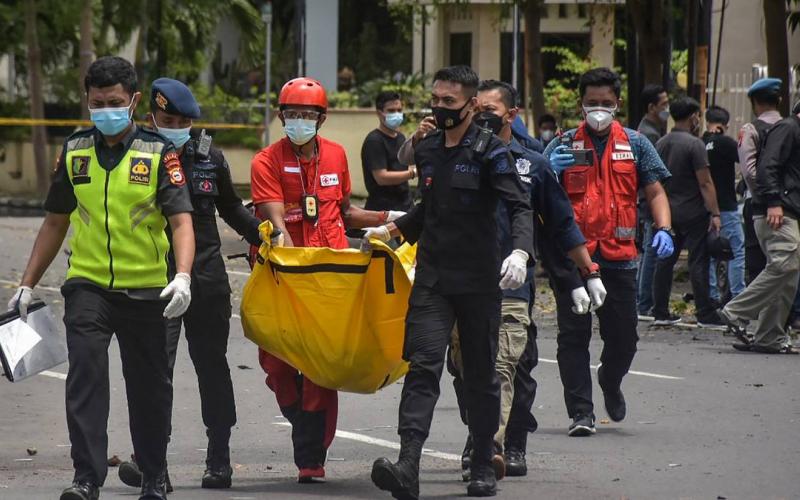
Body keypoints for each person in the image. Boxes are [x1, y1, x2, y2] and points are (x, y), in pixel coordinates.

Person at [5, 56, 195, 500]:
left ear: (132, 102)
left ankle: (152, 475)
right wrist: (27, 283)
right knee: (85, 379)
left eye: (113, 102)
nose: (105, 110)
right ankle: (86, 478)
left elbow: (181, 221)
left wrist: (182, 276)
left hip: (148, 290)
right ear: (87, 102)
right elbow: (55, 222)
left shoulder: (158, 152)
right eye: (96, 102)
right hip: (88, 287)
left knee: (149, 388)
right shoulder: (75, 151)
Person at [365, 65, 534, 499]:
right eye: (435, 100)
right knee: (422, 367)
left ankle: (482, 464)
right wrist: (391, 231)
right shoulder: (429, 150)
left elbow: (519, 207)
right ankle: (407, 465)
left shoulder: (491, 152)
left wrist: (519, 251)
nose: (439, 109)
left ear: (472, 105)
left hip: (478, 282)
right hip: (433, 279)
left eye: (449, 102)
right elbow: (428, 210)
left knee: (479, 375)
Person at [450, 79, 605, 478]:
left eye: (490, 111)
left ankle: (500, 445)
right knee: (465, 368)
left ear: (511, 115)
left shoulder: (532, 166)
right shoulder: (457, 158)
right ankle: (481, 435)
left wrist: (585, 274)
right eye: (476, 110)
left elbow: (560, 226)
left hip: (511, 286)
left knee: (509, 367)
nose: (481, 118)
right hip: (462, 284)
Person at [250, 77, 401, 483]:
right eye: (292, 114)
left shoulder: (335, 155)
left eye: (308, 115)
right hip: (284, 276)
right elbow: (272, 213)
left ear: (321, 118)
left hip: (331, 275)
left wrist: (388, 219)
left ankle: (311, 457)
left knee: (321, 366)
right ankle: (303, 427)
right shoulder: (266, 160)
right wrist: (280, 241)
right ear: (281, 117)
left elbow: (345, 213)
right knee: (279, 365)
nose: (299, 121)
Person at [115, 78, 262, 492]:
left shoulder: (207, 155)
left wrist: (263, 233)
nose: (176, 126)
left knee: (212, 367)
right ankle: (151, 462)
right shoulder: (136, 155)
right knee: (154, 371)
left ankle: (220, 458)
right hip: (154, 280)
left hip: (207, 278)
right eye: (168, 119)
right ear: (151, 118)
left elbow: (231, 207)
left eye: (183, 120)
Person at [544, 67, 673, 437]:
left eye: (606, 103)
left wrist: (663, 228)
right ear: (580, 105)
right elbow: (535, 189)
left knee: (624, 337)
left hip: (619, 258)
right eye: (591, 103)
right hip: (573, 259)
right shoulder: (563, 144)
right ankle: (580, 413)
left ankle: (610, 380)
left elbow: (655, 191)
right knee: (573, 336)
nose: (598, 109)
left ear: (617, 104)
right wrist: (549, 171)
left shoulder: (635, 143)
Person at [720, 102, 800, 354]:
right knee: (785, 265)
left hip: (785, 209)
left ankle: (769, 336)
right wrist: (774, 202)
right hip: (777, 210)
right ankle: (736, 311)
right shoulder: (788, 128)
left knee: (786, 277)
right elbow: (767, 168)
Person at [651, 97, 723, 326]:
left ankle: (660, 310)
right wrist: (715, 213)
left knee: (664, 261)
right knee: (698, 261)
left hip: (667, 212)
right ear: (693, 116)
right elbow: (705, 182)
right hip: (693, 212)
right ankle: (704, 312)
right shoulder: (695, 145)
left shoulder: (661, 143)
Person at [738, 78, 784, 283]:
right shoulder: (791, 127)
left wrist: (764, 194)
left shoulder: (751, 129)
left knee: (757, 261)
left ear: (754, 102)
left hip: (758, 205)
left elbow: (748, 172)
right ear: (780, 100)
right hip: (789, 204)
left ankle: (753, 312)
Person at [703, 105, 745, 303]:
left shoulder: (700, 143)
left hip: (704, 207)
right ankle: (738, 298)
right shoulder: (726, 143)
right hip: (726, 206)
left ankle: (711, 296)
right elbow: (746, 161)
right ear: (725, 125)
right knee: (737, 251)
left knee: (709, 253)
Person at [636, 84, 669, 317]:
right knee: (650, 252)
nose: (667, 109)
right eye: (663, 105)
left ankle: (643, 300)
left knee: (649, 250)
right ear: (651, 107)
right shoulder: (649, 134)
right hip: (647, 201)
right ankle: (644, 301)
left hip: (645, 201)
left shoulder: (650, 130)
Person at [361, 90, 415, 213]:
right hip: (383, 211)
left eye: (399, 110)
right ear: (380, 114)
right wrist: (413, 173)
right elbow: (382, 178)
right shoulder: (374, 141)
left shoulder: (401, 137)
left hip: (405, 205)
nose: (396, 114)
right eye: (391, 111)